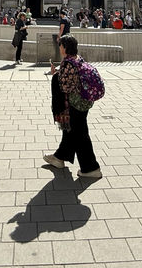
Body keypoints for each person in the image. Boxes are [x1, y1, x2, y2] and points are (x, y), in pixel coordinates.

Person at [43, 35, 102, 179]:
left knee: (80, 134)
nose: (60, 48)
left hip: (75, 103)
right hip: (84, 101)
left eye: (61, 45)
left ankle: (90, 168)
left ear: (65, 48)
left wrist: (55, 75)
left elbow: (65, 87)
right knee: (72, 131)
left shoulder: (67, 64)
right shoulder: (78, 59)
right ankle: (59, 158)